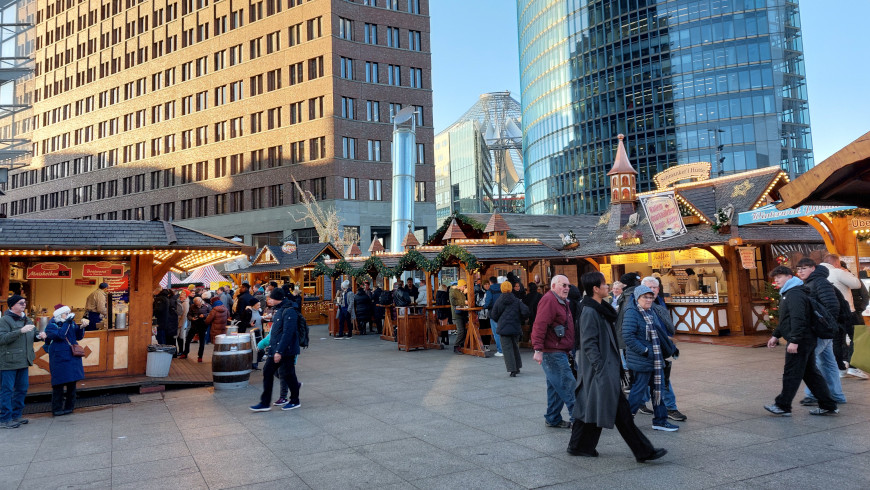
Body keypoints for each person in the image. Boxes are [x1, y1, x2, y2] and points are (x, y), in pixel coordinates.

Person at [568, 272, 667, 462]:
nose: (608, 287)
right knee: (620, 414)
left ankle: (579, 446)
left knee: (594, 407)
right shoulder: (590, 311)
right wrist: (601, 370)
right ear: (596, 289)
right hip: (602, 371)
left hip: (606, 370)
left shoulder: (600, 308)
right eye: (604, 284)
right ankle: (644, 451)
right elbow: (588, 344)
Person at [764, 265, 839, 416]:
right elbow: (787, 319)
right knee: (811, 374)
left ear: (789, 277)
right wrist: (776, 335)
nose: (776, 280)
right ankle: (828, 405)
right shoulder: (790, 293)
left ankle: (783, 405)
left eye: (779, 277)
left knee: (791, 372)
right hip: (804, 340)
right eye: (775, 277)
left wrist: (794, 340)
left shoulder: (794, 294)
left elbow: (798, 319)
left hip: (800, 341)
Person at [622, 284, 679, 432]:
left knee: (658, 390)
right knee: (638, 390)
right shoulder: (632, 312)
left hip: (656, 358)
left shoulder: (650, 311)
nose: (648, 300)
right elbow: (628, 336)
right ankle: (626, 420)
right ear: (637, 298)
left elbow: (657, 332)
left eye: (650, 297)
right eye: (645, 297)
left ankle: (660, 420)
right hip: (643, 359)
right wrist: (645, 351)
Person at [792, 258, 847, 405]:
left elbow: (832, 305)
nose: (800, 271)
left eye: (804, 268)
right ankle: (836, 395)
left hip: (821, 330)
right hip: (823, 330)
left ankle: (814, 395)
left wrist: (824, 325)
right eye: (798, 269)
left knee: (810, 361)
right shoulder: (811, 283)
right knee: (828, 363)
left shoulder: (819, 282)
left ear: (813, 269)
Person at [638, 277, 687, 422]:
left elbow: (665, 324)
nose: (652, 290)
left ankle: (640, 402)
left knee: (653, 378)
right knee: (660, 379)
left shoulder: (659, 302)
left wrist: (669, 341)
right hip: (647, 348)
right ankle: (670, 408)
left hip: (661, 345)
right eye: (649, 287)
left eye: (655, 287)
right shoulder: (638, 305)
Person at [531, 275, 575, 428]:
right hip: (553, 352)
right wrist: (537, 349)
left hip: (557, 350)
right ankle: (580, 422)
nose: (567, 288)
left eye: (568, 285)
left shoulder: (560, 301)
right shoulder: (550, 300)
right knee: (568, 385)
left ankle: (552, 418)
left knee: (556, 387)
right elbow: (539, 324)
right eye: (563, 285)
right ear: (554, 285)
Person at [250, 288, 302, 412]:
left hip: (286, 350)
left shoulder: (289, 311)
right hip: (276, 348)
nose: (268, 300)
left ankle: (295, 400)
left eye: (270, 298)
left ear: (276, 298)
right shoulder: (279, 310)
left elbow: (287, 333)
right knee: (269, 371)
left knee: (288, 375)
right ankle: (265, 402)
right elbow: (276, 332)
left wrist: (279, 351)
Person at [1, 295, 47, 429]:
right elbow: (2, 338)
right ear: (12, 305)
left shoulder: (27, 319)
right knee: (7, 390)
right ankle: (5, 419)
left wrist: (39, 336)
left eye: (24, 302)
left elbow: (33, 335)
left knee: (21, 389)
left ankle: (16, 415)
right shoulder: (4, 320)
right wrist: (20, 331)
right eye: (20, 303)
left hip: (24, 360)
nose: (23, 305)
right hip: (8, 361)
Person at [820, 254, 868, 379]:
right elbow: (856, 284)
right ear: (836, 263)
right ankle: (853, 367)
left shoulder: (817, 274)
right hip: (847, 311)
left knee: (837, 340)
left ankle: (841, 367)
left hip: (830, 313)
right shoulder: (837, 272)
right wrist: (846, 272)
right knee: (857, 337)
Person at [44, 305, 87, 416]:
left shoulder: (71, 323)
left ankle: (69, 407)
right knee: (58, 383)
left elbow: (78, 336)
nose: (68, 315)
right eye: (66, 313)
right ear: (59, 315)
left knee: (72, 383)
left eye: (68, 313)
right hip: (59, 357)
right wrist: (67, 323)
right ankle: (57, 408)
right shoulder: (51, 326)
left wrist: (82, 327)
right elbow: (60, 336)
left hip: (72, 356)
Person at [491, 280, 529, 376]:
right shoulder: (516, 300)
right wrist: (520, 319)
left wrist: (500, 320)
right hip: (515, 327)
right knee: (515, 347)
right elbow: (525, 311)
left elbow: (494, 315)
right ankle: (518, 367)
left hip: (504, 328)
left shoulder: (499, 301)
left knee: (507, 349)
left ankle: (512, 370)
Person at [180, 296, 210, 361]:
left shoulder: (207, 306)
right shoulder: (192, 306)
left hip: (202, 325)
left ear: (201, 301)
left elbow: (210, 314)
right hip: (194, 325)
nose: (197, 305)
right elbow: (189, 315)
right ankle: (185, 353)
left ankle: (200, 356)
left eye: (198, 303)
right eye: (196, 304)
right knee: (188, 340)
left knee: (202, 342)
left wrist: (204, 315)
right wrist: (191, 318)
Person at [484, 276, 503, 357]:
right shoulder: (502, 289)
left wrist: (484, 306)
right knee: (503, 331)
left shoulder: (490, 290)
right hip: (502, 313)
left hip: (493, 313)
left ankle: (500, 350)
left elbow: (488, 302)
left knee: (496, 333)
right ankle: (505, 349)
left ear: (490, 282)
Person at [450, 279, 469, 354]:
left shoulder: (461, 292)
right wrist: (464, 302)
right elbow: (453, 302)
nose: (465, 287)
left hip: (463, 312)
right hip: (457, 313)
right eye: (464, 286)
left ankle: (461, 345)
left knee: (464, 330)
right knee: (461, 331)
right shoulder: (453, 291)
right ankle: (456, 346)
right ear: (460, 286)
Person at [176, 290, 190, 356]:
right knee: (178, 336)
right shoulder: (180, 300)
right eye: (182, 292)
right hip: (178, 320)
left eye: (184, 293)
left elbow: (184, 314)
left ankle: (181, 351)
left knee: (180, 336)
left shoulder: (185, 303)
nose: (182, 294)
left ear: (186, 295)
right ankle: (180, 350)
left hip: (181, 321)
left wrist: (181, 323)